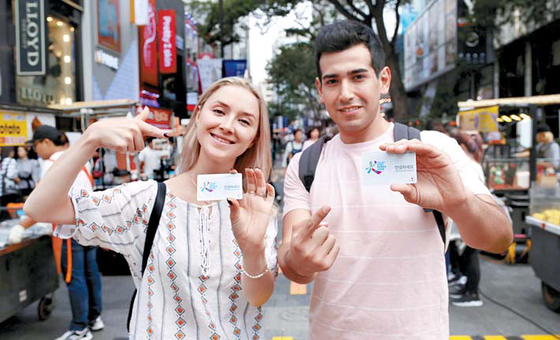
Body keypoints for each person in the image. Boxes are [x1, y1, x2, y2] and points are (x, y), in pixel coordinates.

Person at [279, 21, 513, 339]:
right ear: (320, 90)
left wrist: (458, 201)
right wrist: (299, 260)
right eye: (333, 81)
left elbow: (499, 239)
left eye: (358, 76)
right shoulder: (306, 164)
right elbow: (292, 264)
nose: (346, 93)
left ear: (383, 80)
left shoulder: (431, 149)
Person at [24, 77, 278, 339]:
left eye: (244, 121)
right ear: (199, 114)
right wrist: (91, 138)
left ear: (253, 139)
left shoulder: (256, 208)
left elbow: (258, 297)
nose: (227, 126)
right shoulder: (146, 200)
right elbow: (40, 208)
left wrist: (253, 249)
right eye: (219, 111)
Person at [26, 125, 104, 340]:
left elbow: (44, 202)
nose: (36, 150)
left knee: (75, 277)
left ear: (45, 142)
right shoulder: (80, 160)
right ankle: (94, 318)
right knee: (91, 273)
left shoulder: (51, 164)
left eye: (36, 145)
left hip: (69, 229)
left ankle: (80, 327)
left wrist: (21, 225)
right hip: (89, 225)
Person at [447, 131, 486, 307]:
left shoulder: (469, 166)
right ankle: (468, 290)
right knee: (468, 256)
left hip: (474, 220)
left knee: (471, 256)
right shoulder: (471, 164)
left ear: (461, 148)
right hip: (469, 220)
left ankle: (473, 293)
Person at [0, 147, 22, 220]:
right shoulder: (11, 160)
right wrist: (18, 180)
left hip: (2, 190)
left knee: (4, 211)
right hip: (10, 190)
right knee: (12, 209)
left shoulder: (2, 161)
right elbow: (11, 174)